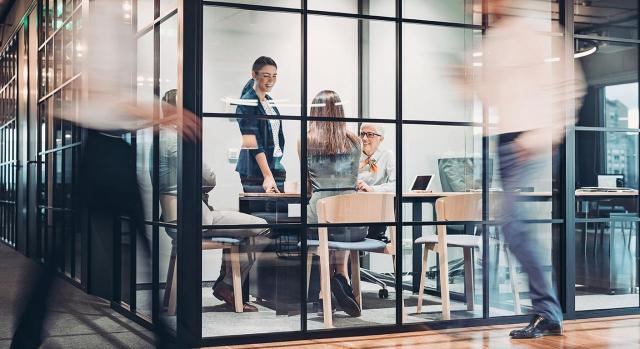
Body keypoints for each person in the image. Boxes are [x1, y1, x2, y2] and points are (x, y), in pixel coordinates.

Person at [10, 2, 198, 347]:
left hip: (109, 147)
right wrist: (165, 112)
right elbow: (109, 99)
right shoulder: (105, 21)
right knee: (120, 242)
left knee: (71, 249)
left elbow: (116, 102)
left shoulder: (112, 21)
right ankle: (163, 336)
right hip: (104, 149)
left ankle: (29, 332)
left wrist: (157, 115)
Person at [472, 0, 586, 339]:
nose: (481, 6)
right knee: (512, 227)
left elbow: (570, 88)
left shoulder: (541, 33)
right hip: (504, 141)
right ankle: (546, 311)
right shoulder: (492, 43)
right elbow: (492, 95)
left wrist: (543, 136)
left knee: (510, 221)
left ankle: (547, 311)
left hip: (532, 141)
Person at [157, 90, 269, 313]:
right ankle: (227, 285)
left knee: (236, 229)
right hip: (197, 217)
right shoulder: (178, 141)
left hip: (172, 218)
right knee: (261, 227)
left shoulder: (159, 139)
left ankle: (224, 284)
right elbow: (209, 178)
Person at [299, 90, 367, 317]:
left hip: (321, 215)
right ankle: (342, 277)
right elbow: (352, 179)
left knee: (324, 227)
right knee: (340, 226)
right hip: (355, 222)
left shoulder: (305, 140)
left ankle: (324, 293)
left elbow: (307, 184)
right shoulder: (355, 140)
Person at [235, 56, 285, 193]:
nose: (271, 81)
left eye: (274, 76)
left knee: (278, 212)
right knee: (258, 214)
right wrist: (267, 175)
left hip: (273, 166)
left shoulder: (269, 101)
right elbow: (252, 141)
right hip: (256, 170)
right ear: (254, 75)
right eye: (266, 76)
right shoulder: (246, 103)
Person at [356, 122, 396, 242]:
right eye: (362, 134)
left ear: (381, 138)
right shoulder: (353, 155)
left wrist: (372, 189)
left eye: (370, 134)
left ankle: (376, 235)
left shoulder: (387, 155)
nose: (364, 138)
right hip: (354, 209)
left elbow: (396, 185)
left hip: (376, 211)